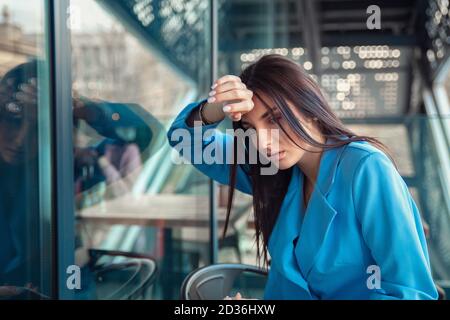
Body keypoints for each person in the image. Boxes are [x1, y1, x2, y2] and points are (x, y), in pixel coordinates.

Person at [167, 54, 439, 299]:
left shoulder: (365, 168)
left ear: (309, 108)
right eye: (249, 127)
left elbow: (411, 292)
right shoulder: (271, 169)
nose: (263, 142)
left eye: (274, 119)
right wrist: (216, 110)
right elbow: (186, 141)